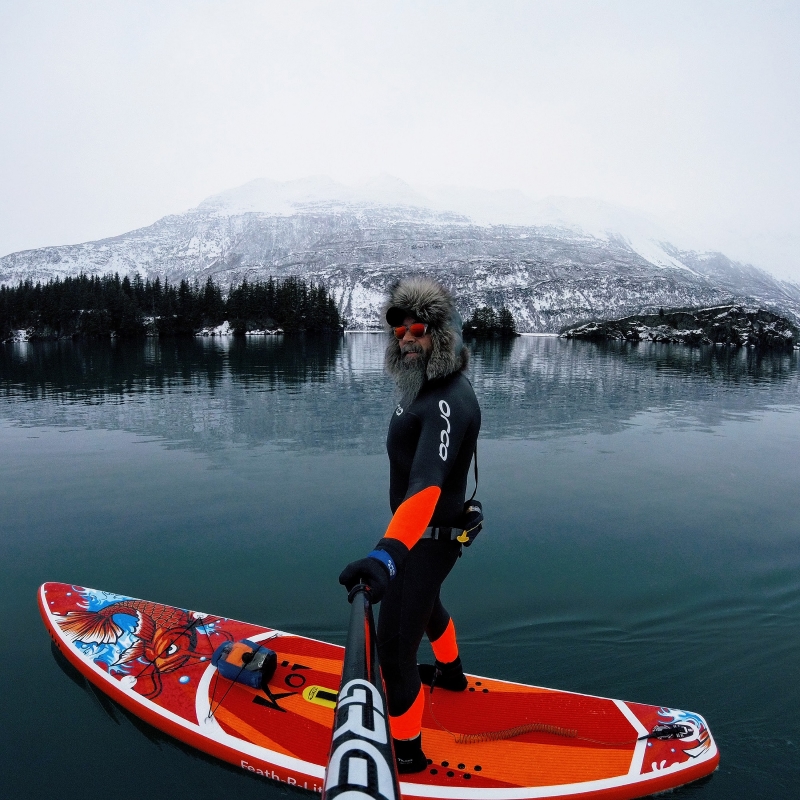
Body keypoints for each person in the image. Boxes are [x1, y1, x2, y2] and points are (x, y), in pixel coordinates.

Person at [339, 277, 481, 773]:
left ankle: (408, 757)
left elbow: (426, 484)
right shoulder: (424, 392)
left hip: (424, 539)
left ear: (441, 333)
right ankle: (453, 676)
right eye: (399, 332)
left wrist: (386, 556)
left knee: (396, 649)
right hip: (427, 536)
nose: (404, 339)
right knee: (427, 605)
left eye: (416, 330)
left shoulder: (443, 400)